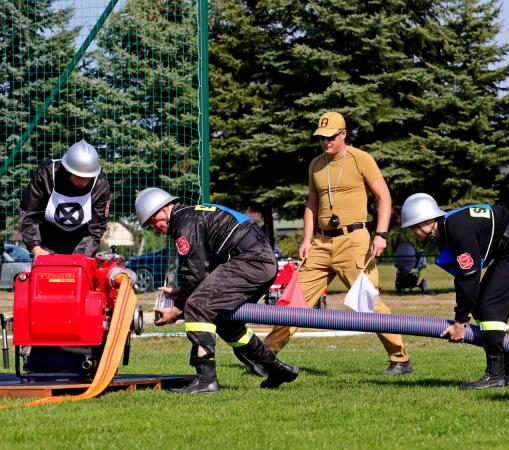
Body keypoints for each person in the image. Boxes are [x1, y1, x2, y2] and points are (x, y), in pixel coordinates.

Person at [263, 111, 413, 375]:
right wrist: (307, 239)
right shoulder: (315, 164)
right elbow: (311, 203)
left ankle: (400, 360)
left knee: (369, 303)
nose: (326, 142)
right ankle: (265, 357)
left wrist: (380, 234)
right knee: (293, 301)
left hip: (354, 242)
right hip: (321, 244)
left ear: (343, 134)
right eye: (321, 138)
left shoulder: (361, 159)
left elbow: (384, 197)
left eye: (331, 137)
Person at [135, 187, 299, 394]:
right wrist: (181, 291)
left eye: (153, 222)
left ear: (164, 209)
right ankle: (276, 369)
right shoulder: (192, 215)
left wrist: (176, 309)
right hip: (259, 260)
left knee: (197, 306)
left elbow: (196, 272)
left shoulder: (184, 222)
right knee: (225, 323)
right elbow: (208, 264)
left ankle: (206, 380)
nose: (155, 229)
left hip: (251, 261)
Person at [400, 193, 509, 389]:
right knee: (479, 305)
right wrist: (464, 312)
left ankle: (496, 375)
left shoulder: (456, 228)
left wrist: (460, 321)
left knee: (489, 307)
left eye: (414, 227)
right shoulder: (448, 229)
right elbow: (464, 277)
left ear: (427, 220)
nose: (413, 233)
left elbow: (469, 275)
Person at [20, 139, 111, 257]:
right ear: (68, 170)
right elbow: (29, 213)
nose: (84, 182)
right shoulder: (46, 174)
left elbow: (96, 228)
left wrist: (79, 258)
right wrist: (35, 247)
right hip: (47, 242)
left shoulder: (101, 185)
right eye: (79, 177)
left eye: (88, 177)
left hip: (84, 244)